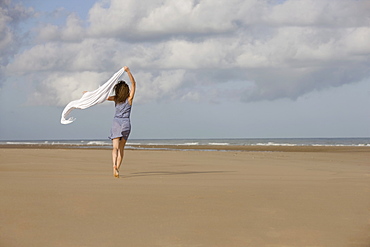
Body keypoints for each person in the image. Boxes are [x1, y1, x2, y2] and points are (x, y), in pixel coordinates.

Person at [106, 66, 136, 178]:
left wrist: (89, 94)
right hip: (126, 124)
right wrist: (128, 71)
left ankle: (114, 166)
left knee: (115, 148)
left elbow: (104, 96)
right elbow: (134, 84)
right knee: (121, 149)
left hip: (116, 123)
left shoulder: (116, 99)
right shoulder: (129, 99)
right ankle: (117, 168)